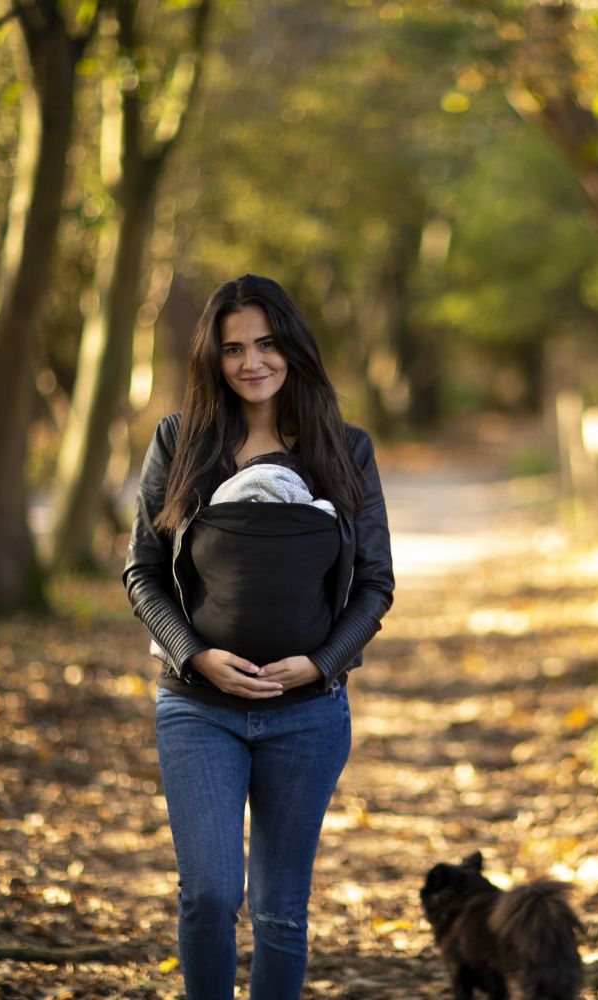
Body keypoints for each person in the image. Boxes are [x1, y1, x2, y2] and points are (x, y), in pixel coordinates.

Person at [122, 274, 394, 999]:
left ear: (293, 348)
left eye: (266, 344)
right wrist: (194, 655)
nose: (251, 362)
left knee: (279, 915)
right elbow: (142, 571)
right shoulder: (178, 443)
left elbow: (375, 584)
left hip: (307, 716)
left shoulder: (346, 450)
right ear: (213, 357)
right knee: (209, 894)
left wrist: (321, 664)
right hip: (196, 710)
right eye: (234, 347)